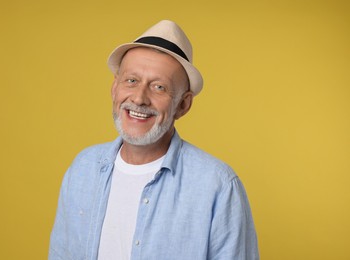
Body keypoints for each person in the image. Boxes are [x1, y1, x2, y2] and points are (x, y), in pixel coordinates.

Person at [49, 20, 259, 260]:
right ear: (114, 88)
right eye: (131, 81)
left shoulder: (218, 186)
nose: (139, 98)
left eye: (159, 87)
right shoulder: (82, 168)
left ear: (183, 104)